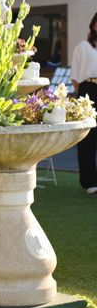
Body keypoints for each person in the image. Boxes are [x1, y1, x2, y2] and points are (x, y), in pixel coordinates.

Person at [71, 12, 97, 193]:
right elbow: (75, 76)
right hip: (89, 90)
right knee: (88, 137)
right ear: (93, 24)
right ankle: (89, 182)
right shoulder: (83, 46)